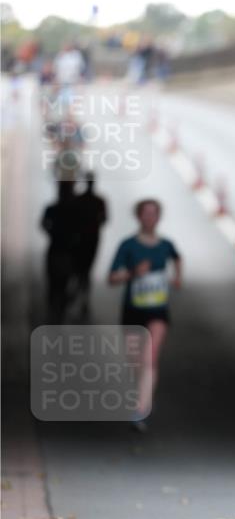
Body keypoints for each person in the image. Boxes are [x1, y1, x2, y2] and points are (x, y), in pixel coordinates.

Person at [108, 200, 182, 431]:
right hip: (133, 310)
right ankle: (144, 392)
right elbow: (111, 278)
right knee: (135, 361)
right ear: (138, 216)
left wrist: (178, 277)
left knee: (150, 357)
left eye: (154, 214)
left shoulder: (166, 245)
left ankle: (142, 408)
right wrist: (132, 273)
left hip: (158, 311)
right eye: (146, 213)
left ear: (159, 217)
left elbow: (177, 258)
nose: (150, 217)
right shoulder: (128, 245)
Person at [41, 182, 80, 322]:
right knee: (59, 283)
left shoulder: (54, 209)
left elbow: (43, 224)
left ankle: (55, 312)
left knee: (56, 284)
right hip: (64, 251)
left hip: (61, 251)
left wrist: (53, 233)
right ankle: (57, 312)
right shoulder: (72, 210)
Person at [72, 172, 108, 318]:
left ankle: (78, 296)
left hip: (82, 239)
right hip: (90, 239)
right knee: (85, 270)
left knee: (81, 270)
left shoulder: (79, 200)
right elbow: (104, 219)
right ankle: (81, 298)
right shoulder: (98, 201)